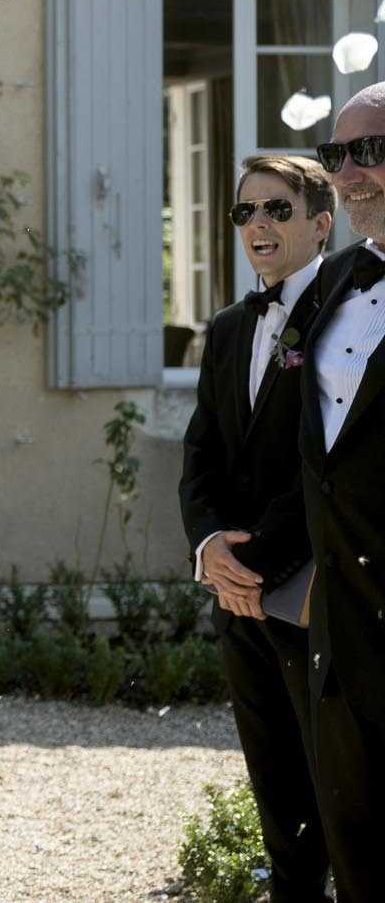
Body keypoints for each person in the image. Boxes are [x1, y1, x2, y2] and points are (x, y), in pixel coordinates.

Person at [177, 154, 335, 902]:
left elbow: (326, 462)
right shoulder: (231, 326)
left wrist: (258, 564)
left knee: (338, 783)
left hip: (311, 586)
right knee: (274, 783)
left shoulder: (347, 313)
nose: (259, 225)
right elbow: (202, 449)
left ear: (321, 223)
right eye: (246, 213)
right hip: (236, 591)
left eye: (277, 209)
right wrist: (210, 548)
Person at [299, 86, 385, 903]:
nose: (352, 173)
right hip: (343, 625)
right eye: (337, 156)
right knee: (356, 842)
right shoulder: (334, 283)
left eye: (373, 151)